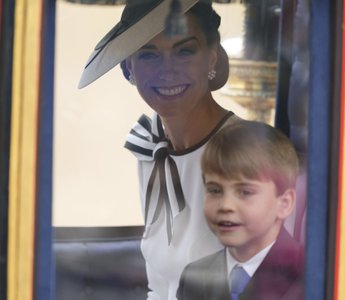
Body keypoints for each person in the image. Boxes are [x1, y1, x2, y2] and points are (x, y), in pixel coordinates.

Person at [79, 1, 240, 299]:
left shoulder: (246, 154)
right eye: (149, 55)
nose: (168, 70)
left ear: (212, 57)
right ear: (129, 67)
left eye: (185, 51)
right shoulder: (150, 147)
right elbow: (159, 283)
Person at [177, 120, 304, 300]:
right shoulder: (194, 276)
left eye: (245, 192)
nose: (226, 205)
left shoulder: (310, 276)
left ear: (284, 203)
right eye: (215, 190)